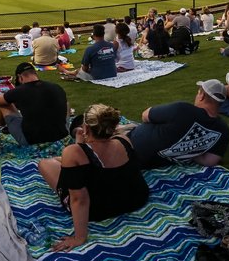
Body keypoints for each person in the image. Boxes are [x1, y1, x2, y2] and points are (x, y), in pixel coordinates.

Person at [37, 104, 149, 252]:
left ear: (86, 128)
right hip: (135, 198)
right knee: (70, 159)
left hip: (98, 209)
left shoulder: (73, 152)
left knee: (45, 163)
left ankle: (65, 161)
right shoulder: (123, 140)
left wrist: (79, 237)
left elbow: (79, 199)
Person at [125, 79, 229, 168]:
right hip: (159, 163)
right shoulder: (223, 130)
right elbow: (208, 161)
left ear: (201, 96)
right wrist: (189, 149)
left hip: (129, 149)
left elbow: (145, 115)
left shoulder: (183, 110)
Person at [0, 63, 69, 146]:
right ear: (35, 74)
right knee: (66, 103)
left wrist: (8, 95)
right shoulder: (56, 87)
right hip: (61, 134)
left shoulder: (19, 91)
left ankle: (1, 126)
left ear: (20, 77)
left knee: (4, 104)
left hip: (31, 140)